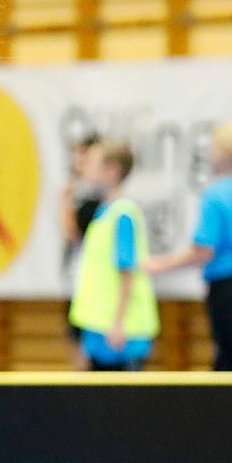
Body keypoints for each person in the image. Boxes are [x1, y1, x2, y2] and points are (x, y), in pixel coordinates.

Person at [145, 121, 232, 371]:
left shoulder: (217, 193)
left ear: (225, 155)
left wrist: (158, 264)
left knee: (230, 374)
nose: (210, 154)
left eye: (214, 148)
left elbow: (204, 250)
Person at [69, 142, 158, 372]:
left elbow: (126, 270)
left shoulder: (123, 214)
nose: (85, 169)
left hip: (120, 330)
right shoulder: (102, 211)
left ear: (112, 169)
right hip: (99, 325)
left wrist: (118, 323)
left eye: (92, 163)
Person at [58, 133, 103, 355]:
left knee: (86, 350)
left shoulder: (98, 199)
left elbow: (73, 233)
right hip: (78, 279)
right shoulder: (83, 193)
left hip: (91, 283)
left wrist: (64, 201)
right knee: (77, 343)